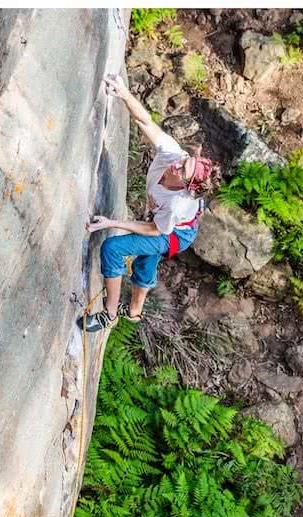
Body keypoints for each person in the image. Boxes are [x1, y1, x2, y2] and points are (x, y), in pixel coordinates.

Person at [76, 73, 214, 333]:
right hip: (166, 221)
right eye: (183, 161)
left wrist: (111, 223)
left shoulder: (178, 203)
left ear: (187, 186)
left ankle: (110, 314)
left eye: (182, 170)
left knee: (113, 248)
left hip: (174, 233)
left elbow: (155, 230)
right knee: (145, 260)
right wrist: (124, 94)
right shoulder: (174, 155)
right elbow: (146, 122)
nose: (176, 165)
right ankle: (135, 312)